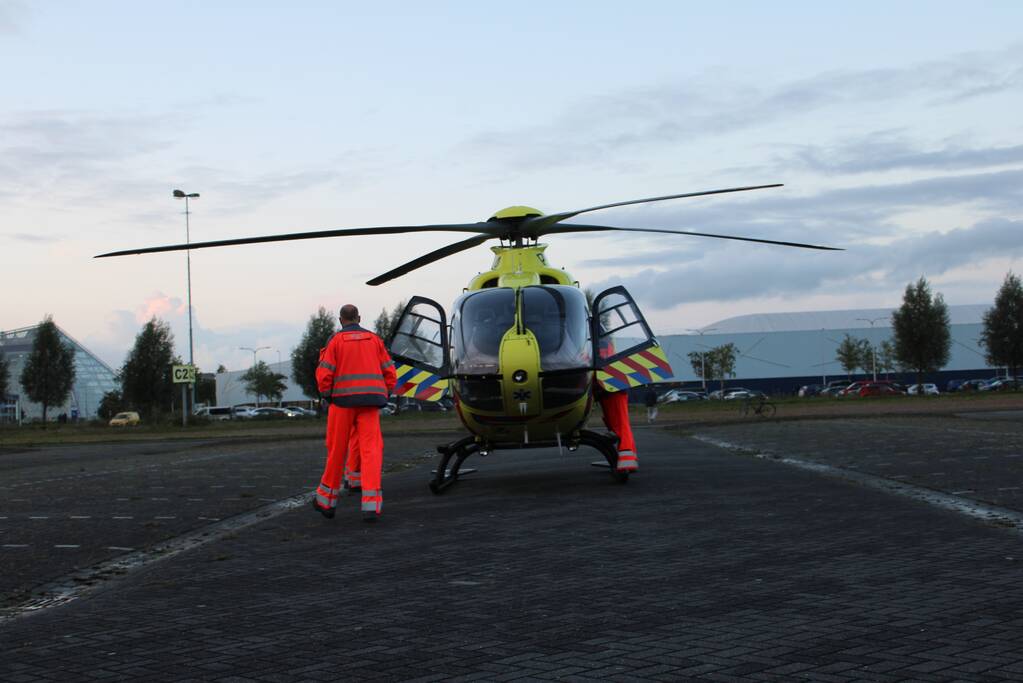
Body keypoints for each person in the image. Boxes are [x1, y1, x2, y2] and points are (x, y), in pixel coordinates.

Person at [313, 304, 397, 522]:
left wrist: (326, 395)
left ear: (340, 320)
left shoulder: (335, 341)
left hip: (341, 404)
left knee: (337, 451)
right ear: (359, 317)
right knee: (372, 451)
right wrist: (385, 393)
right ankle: (371, 505)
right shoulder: (375, 340)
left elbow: (324, 373)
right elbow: (390, 371)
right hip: (370, 403)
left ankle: (326, 502)